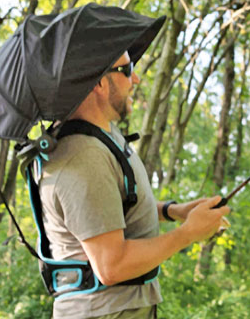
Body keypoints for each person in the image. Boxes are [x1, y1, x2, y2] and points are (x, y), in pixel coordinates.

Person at [38, 50, 231, 319]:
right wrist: (188, 233)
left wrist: (174, 211)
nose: (136, 79)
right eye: (127, 70)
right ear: (99, 83)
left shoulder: (103, 137)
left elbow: (111, 209)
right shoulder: (83, 156)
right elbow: (111, 266)